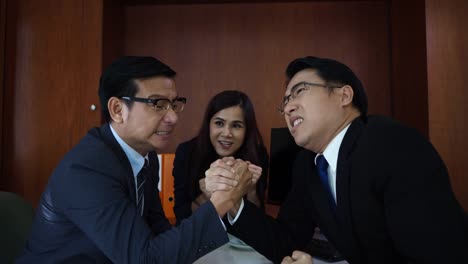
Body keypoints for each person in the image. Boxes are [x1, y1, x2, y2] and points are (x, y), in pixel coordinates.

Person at [205, 56, 468, 263]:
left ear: (344, 95)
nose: (287, 107)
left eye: (299, 91)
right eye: (285, 100)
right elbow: (287, 240)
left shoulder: (392, 144)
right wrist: (233, 199)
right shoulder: (308, 164)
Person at [17, 56, 253, 264]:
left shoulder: (143, 154)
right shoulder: (87, 169)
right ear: (118, 109)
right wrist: (223, 200)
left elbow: (159, 232)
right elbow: (146, 260)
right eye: (158, 104)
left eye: (174, 104)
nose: (172, 117)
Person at [172, 90, 269, 225]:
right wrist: (206, 195)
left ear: (247, 129)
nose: (227, 133)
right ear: (209, 124)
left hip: (241, 238)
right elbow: (182, 216)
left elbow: (258, 221)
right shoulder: (187, 152)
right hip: (200, 236)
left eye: (236, 125)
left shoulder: (257, 153)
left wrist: (251, 189)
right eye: (219, 123)